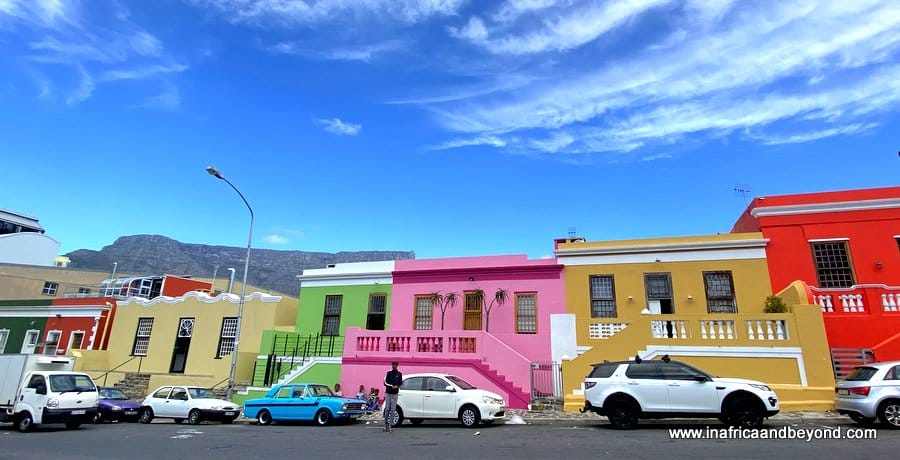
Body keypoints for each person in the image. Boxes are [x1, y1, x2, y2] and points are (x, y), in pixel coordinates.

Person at [383, 361, 402, 432]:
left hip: (395, 394)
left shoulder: (399, 374)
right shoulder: (389, 373)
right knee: (387, 409)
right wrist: (392, 386)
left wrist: (397, 386)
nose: (394, 366)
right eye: (393, 365)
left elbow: (400, 383)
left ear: (397, 365)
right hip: (388, 393)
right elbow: (385, 383)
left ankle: (390, 426)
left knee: (393, 410)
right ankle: (385, 425)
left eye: (395, 365)